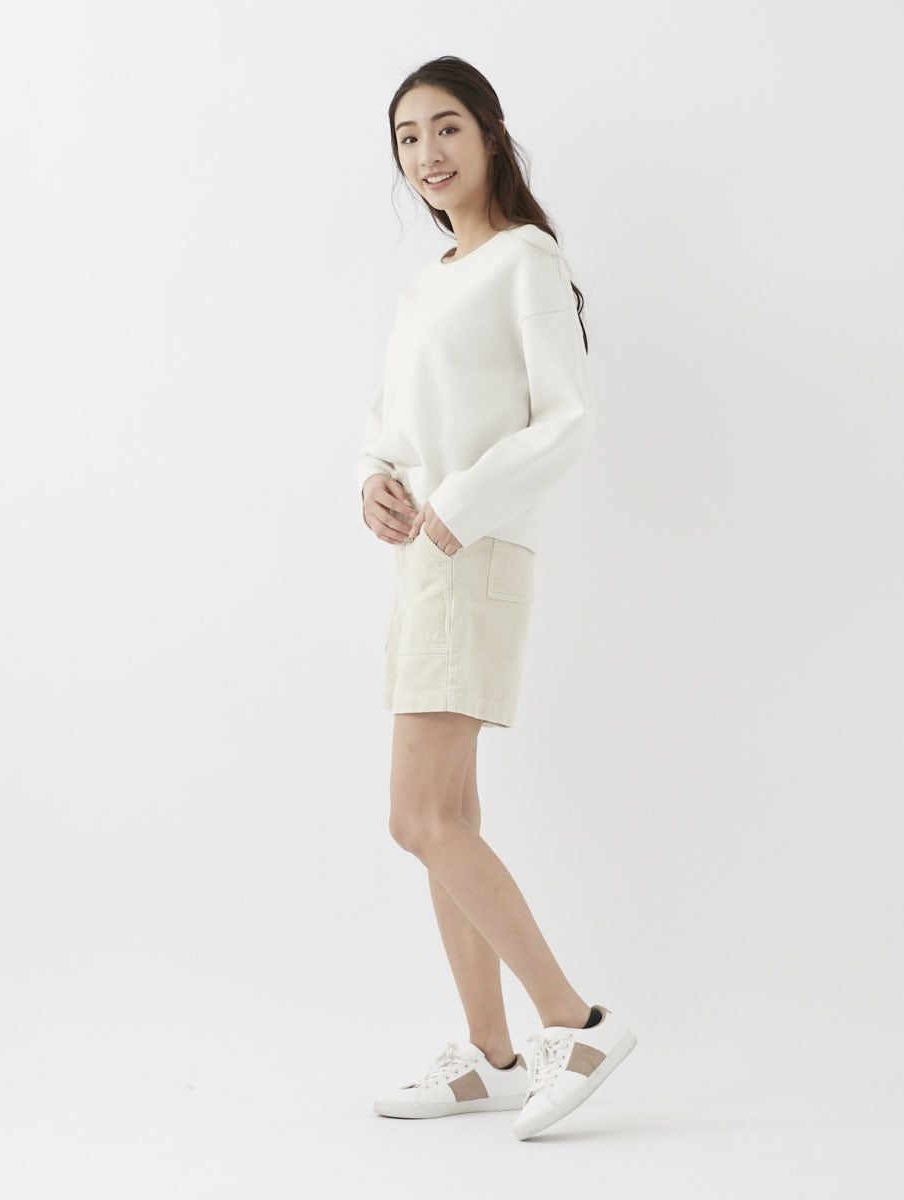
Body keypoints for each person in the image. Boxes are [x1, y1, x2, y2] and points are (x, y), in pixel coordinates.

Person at [355, 56, 636, 1140]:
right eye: (406, 138)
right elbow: (393, 424)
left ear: (489, 135)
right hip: (424, 558)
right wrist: (374, 481)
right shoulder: (427, 284)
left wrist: (457, 504)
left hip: (470, 554)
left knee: (416, 817)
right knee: (450, 819)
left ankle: (576, 1023)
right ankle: (490, 1054)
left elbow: (568, 418)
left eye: (445, 128)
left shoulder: (525, 259)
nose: (426, 154)